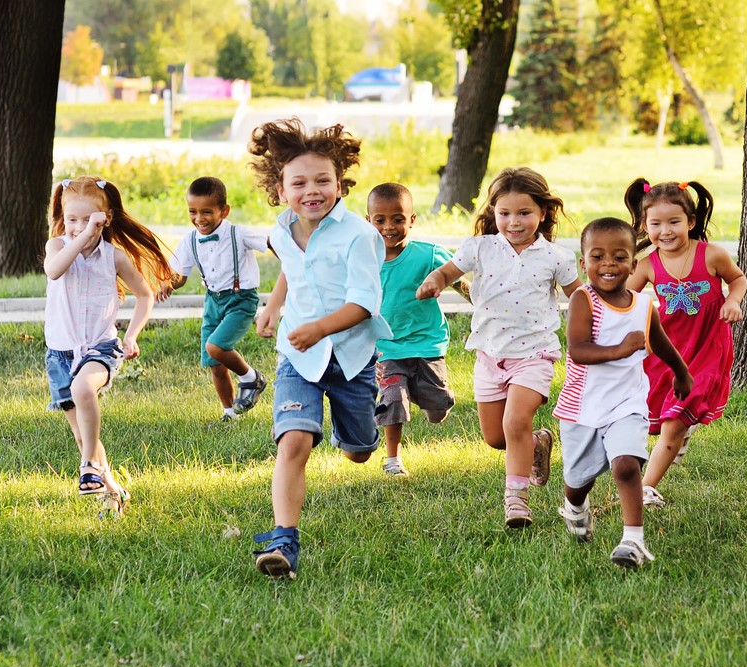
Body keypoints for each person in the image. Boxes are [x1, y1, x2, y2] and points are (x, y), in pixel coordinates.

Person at [248, 118, 391, 579]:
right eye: (300, 182)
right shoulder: (283, 228)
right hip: (299, 357)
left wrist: (318, 328)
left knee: (360, 450)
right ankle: (284, 540)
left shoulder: (360, 235)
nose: (312, 190)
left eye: (323, 180)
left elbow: (364, 304)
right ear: (280, 187)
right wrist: (274, 306)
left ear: (340, 183)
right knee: (293, 442)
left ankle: (355, 433)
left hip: (350, 356)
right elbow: (294, 267)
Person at [417, 167, 581, 528]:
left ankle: (516, 502)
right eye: (504, 213)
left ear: (543, 212)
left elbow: (581, 298)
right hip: (490, 355)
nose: (514, 222)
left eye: (524, 213)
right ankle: (536, 444)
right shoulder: (481, 248)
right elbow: (448, 272)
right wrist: (434, 281)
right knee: (496, 438)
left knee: (514, 421)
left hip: (535, 355)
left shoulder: (555, 257)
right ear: (493, 212)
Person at [554, 217, 692, 568]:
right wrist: (619, 349)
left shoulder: (644, 305)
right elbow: (579, 350)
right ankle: (574, 506)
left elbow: (659, 342)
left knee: (627, 466)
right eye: (597, 257)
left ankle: (633, 541)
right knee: (578, 479)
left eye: (619, 257)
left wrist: (681, 372)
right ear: (583, 263)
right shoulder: (584, 300)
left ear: (634, 263)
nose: (608, 265)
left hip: (627, 403)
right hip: (582, 407)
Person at [43, 176, 175, 518]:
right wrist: (82, 235)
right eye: (71, 219)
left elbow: (145, 295)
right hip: (60, 352)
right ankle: (112, 490)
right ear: (63, 218)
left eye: (87, 220)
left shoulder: (113, 257)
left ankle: (87, 464)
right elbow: (55, 271)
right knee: (81, 433)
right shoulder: (57, 247)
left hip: (100, 347)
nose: (77, 227)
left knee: (82, 387)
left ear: (105, 219)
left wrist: (131, 335)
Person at [623, 179, 747, 507]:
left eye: (674, 222)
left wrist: (733, 301)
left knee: (674, 420)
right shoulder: (648, 264)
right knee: (656, 414)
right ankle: (679, 433)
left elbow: (738, 279)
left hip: (708, 348)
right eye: (656, 224)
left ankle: (645, 488)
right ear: (644, 225)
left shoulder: (711, 255)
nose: (666, 231)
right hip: (667, 349)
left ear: (690, 222)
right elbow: (624, 299)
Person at [367, 182, 469, 476]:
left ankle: (428, 397)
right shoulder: (363, 260)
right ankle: (392, 460)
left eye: (398, 219)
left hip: (426, 344)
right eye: (380, 220)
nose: (390, 227)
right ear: (368, 222)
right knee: (391, 400)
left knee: (437, 410)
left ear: (411, 220)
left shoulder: (427, 254)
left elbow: (458, 279)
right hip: (387, 347)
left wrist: (482, 304)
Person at [160, 177, 269, 422]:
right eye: (193, 212)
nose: (199, 219)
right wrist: (168, 284)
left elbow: (270, 242)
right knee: (215, 364)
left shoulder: (237, 233)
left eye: (207, 212)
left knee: (216, 347)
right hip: (213, 302)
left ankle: (252, 378)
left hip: (240, 301)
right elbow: (180, 276)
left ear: (224, 210)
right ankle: (230, 413)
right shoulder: (190, 240)